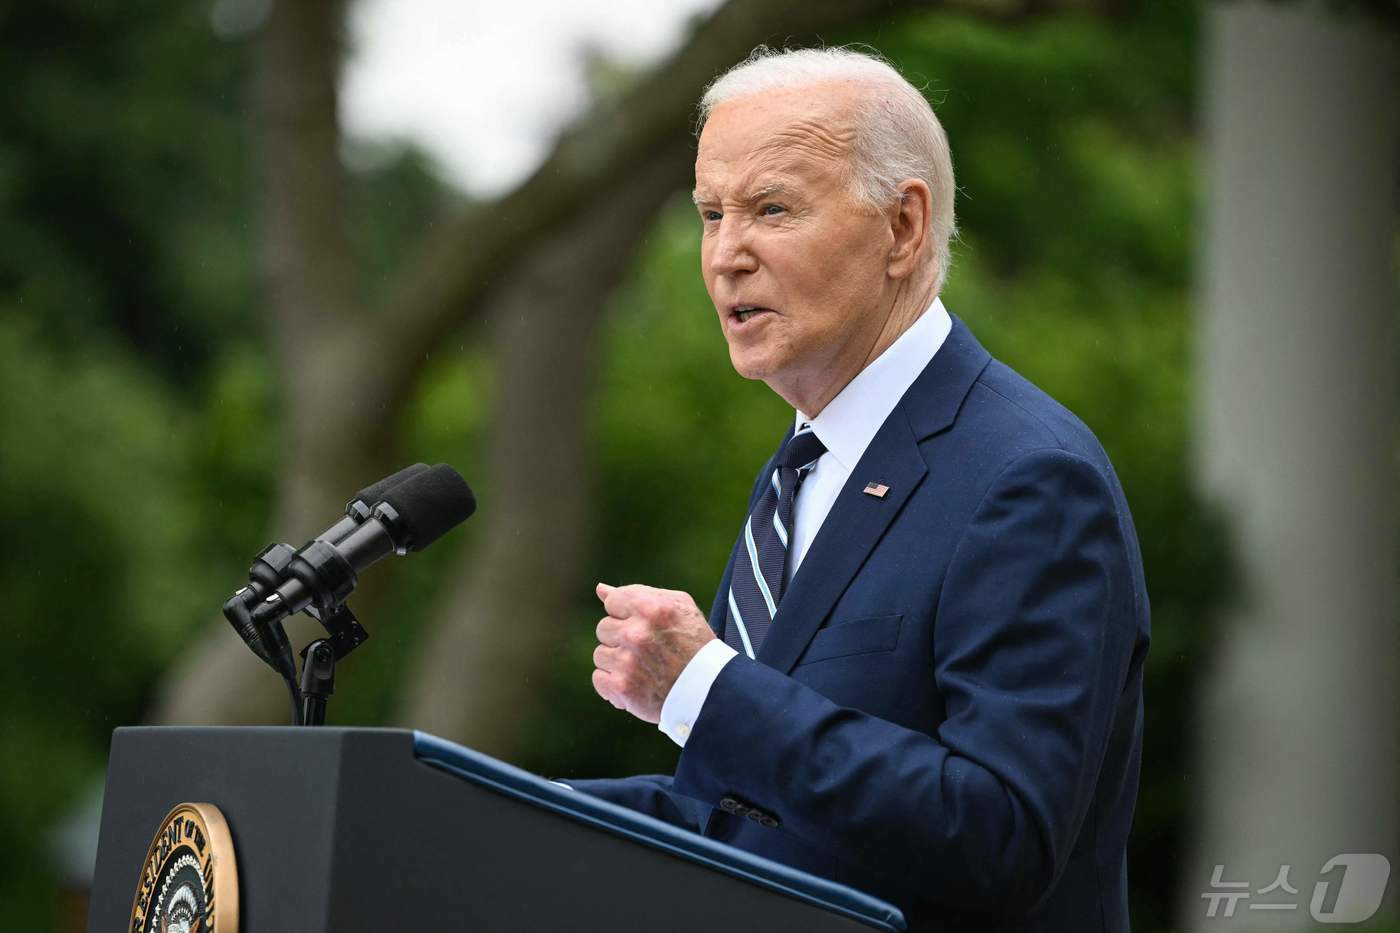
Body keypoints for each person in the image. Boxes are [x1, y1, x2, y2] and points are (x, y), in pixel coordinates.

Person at [569, 46, 1149, 933]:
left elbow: (1002, 836)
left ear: (903, 228)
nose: (726, 255)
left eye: (771, 208)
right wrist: (469, 807)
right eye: (711, 213)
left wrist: (707, 689)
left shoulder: (1029, 476)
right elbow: (749, 823)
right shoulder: (803, 466)